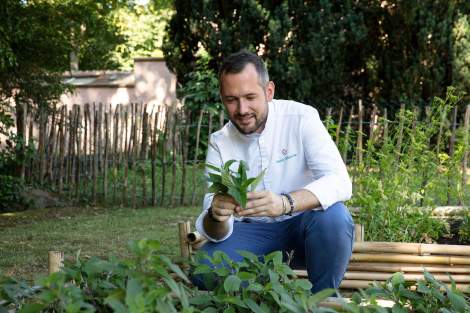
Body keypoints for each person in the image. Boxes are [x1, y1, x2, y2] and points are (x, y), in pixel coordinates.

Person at [194, 49, 354, 293]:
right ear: (222, 97)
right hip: (250, 234)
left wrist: (285, 203)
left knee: (335, 216)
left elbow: (340, 181)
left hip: (304, 229)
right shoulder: (220, 142)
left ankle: (322, 297)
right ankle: (268, 295)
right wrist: (216, 215)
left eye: (250, 97)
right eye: (231, 99)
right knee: (204, 269)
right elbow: (213, 228)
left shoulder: (301, 118)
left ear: (269, 91)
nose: (241, 109)